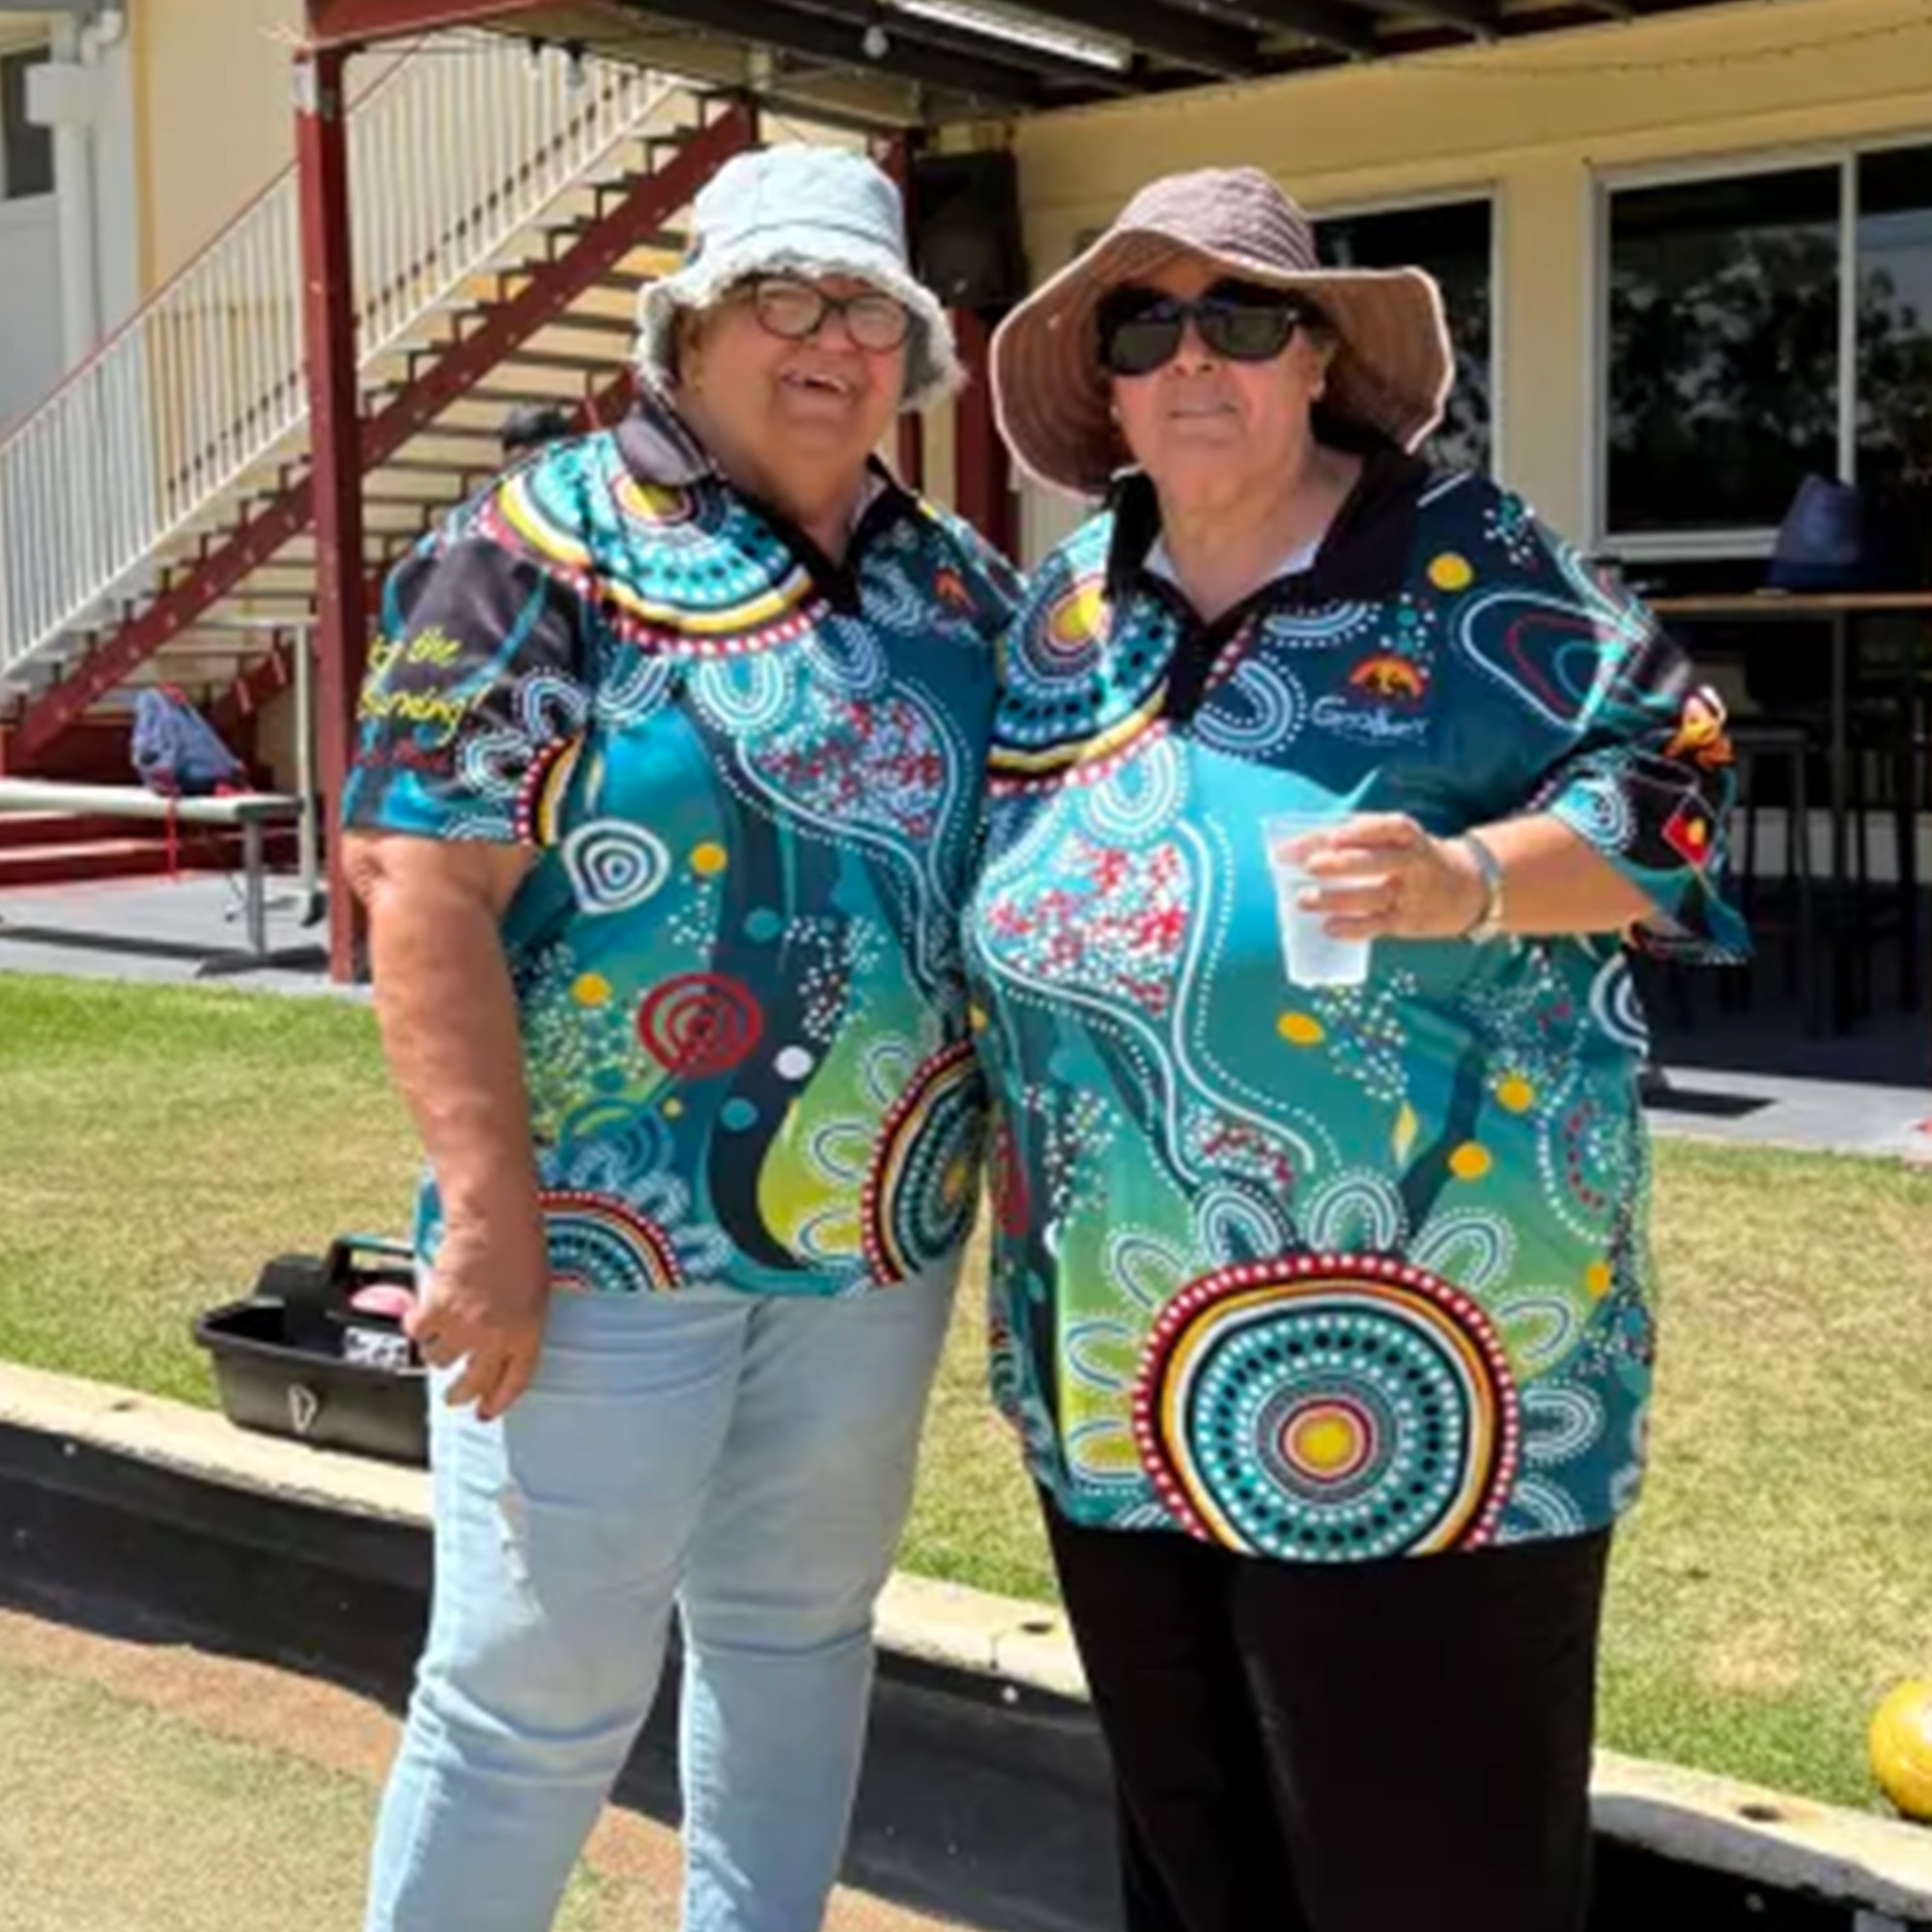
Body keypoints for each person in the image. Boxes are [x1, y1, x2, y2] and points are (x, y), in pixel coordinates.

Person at [969, 166, 1747, 1932]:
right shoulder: (1063, 614)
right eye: (1145, 327)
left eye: (1242, 319)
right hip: (1116, 1368)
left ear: (1318, 357)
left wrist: (1474, 880)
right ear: (1104, 386)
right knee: (1199, 1868)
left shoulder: (1472, 565)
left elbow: (1680, 785)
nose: (1194, 358)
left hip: (1433, 1378)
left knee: (1427, 1877)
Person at [342, 144, 1020, 1932]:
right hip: (592, 1249)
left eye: (867, 310)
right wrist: (487, 1220)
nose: (830, 340)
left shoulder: (954, 586)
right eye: (784, 297)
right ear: (692, 329)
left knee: (798, 1640)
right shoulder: (532, 550)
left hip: (872, 1240)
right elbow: (419, 882)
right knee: (534, 1692)